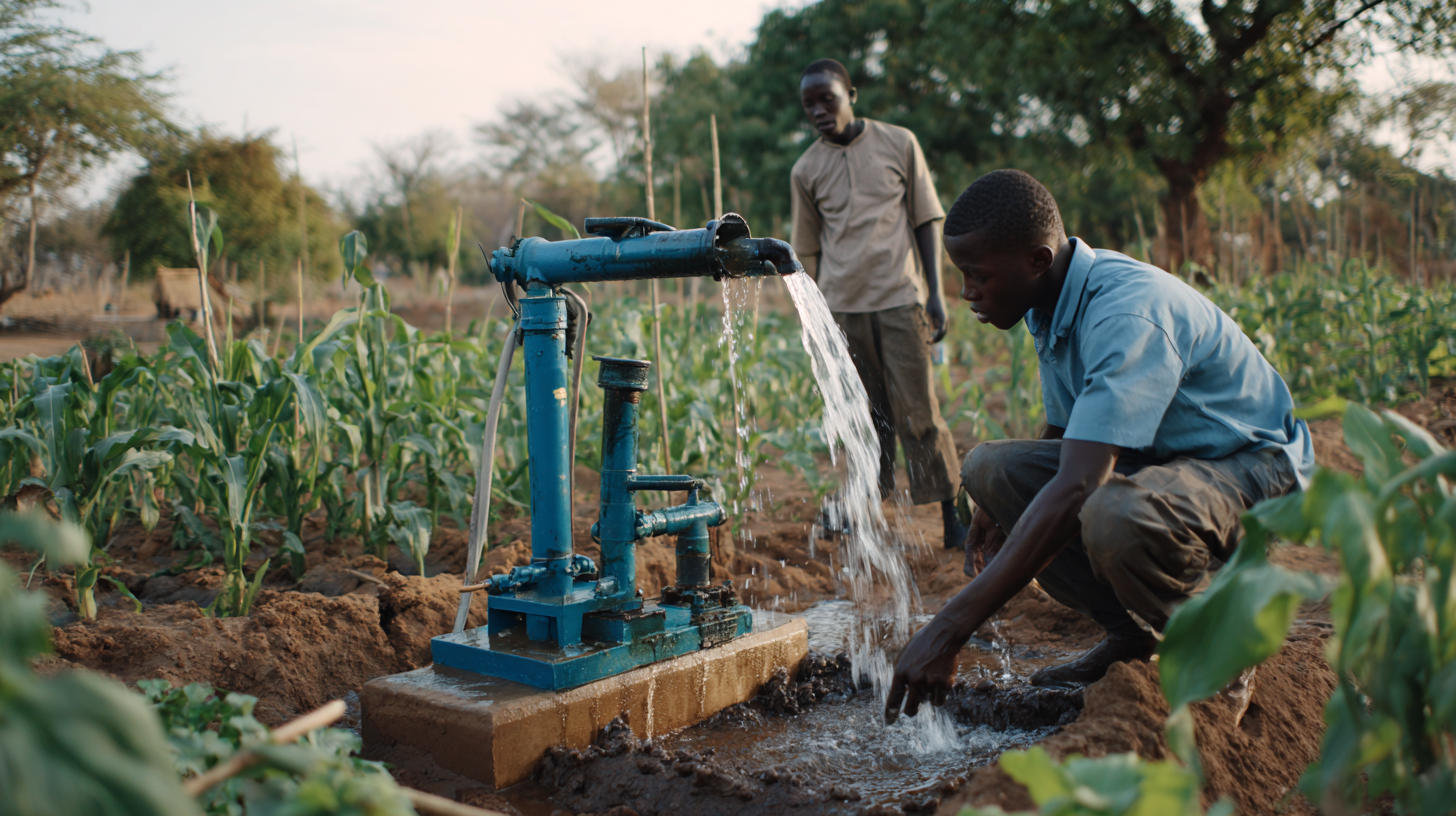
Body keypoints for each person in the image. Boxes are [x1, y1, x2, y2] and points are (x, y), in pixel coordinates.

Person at [884, 169, 1313, 722]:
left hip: (1250, 466)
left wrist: (947, 630)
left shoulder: (1126, 312)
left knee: (1113, 513)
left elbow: (1080, 482)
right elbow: (1068, 431)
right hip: (1162, 459)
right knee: (990, 468)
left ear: (1037, 260)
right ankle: (1131, 634)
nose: (967, 293)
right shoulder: (1051, 299)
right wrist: (999, 503)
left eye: (977, 275)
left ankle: (1218, 650)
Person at [790, 57, 968, 550]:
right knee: (865, 416)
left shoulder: (899, 143)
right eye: (810, 105)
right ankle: (869, 505)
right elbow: (807, 250)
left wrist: (934, 291)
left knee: (918, 413)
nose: (820, 111)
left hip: (898, 297)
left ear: (851, 93)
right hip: (843, 307)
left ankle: (953, 514)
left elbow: (926, 219)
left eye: (828, 97)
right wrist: (815, 316)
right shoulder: (806, 169)